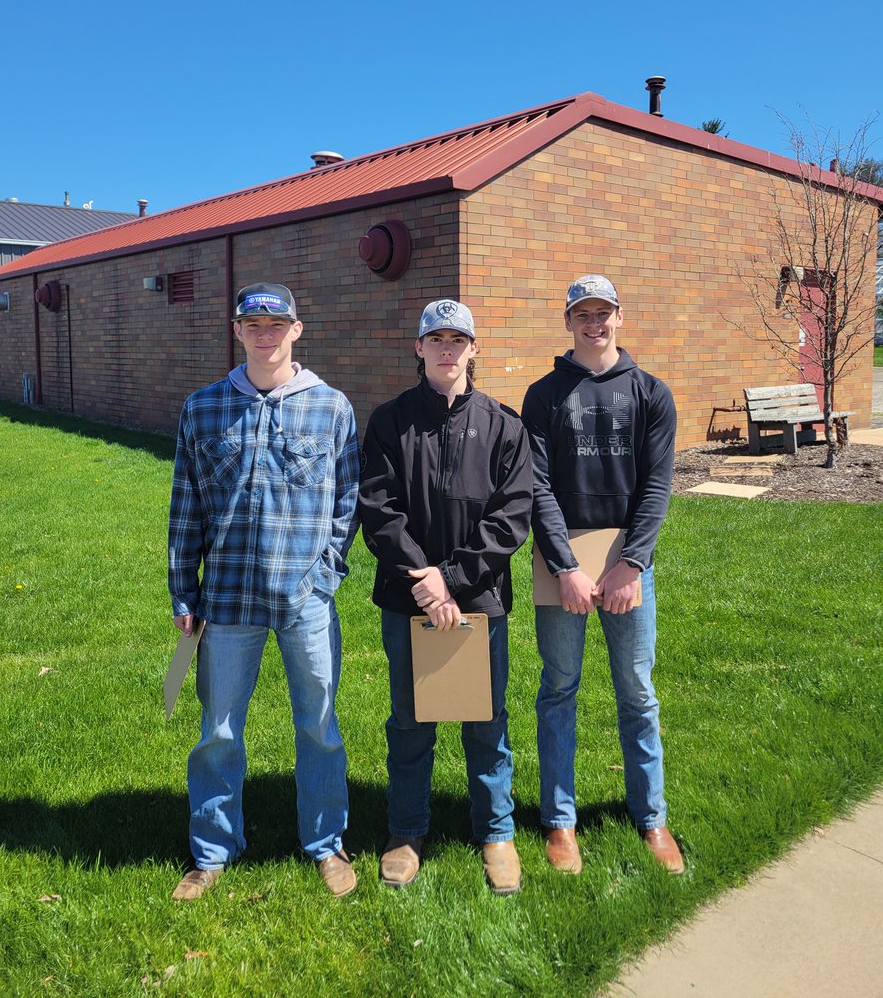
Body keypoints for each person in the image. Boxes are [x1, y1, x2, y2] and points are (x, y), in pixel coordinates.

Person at [168, 283, 360, 900]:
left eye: (276, 324)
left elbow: (347, 500)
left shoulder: (331, 408)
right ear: (237, 329)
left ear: (297, 330)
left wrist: (326, 574)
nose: (265, 333)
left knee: (320, 724)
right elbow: (186, 505)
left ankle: (327, 843)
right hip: (225, 600)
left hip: (304, 600)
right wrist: (184, 590)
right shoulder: (203, 408)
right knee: (218, 731)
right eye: (254, 323)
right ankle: (213, 850)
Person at [359, 300, 533, 894]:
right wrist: (423, 578)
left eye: (458, 339)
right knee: (411, 720)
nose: (447, 349)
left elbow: (512, 517)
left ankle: (496, 832)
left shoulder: (504, 425)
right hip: (409, 600)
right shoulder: (389, 422)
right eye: (436, 338)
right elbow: (378, 512)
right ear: (419, 348)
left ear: (474, 349)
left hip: (479, 600)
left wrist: (453, 580)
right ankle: (406, 831)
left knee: (486, 721)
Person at [521, 274, 684, 875]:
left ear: (621, 316)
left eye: (603, 313)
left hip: (626, 565)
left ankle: (652, 816)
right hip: (563, 561)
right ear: (568, 322)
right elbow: (536, 486)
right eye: (582, 314)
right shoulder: (543, 395)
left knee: (637, 694)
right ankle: (560, 822)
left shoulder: (651, 393)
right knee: (558, 690)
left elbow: (657, 485)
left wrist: (632, 564)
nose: (594, 323)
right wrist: (564, 566)